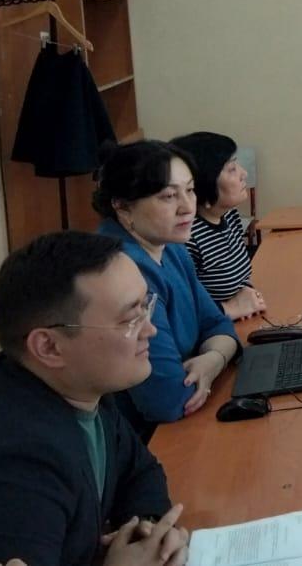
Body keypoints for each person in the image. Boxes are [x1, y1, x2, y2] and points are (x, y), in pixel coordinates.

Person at [0, 231, 189, 566]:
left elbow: (140, 471)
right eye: (130, 318)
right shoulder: (10, 468)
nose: (150, 329)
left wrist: (150, 533)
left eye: (146, 306)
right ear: (49, 347)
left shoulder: (81, 387)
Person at [96, 140, 240, 427]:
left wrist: (213, 360)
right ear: (123, 207)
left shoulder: (169, 245)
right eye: (168, 196)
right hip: (139, 434)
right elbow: (169, 400)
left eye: (190, 190)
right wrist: (217, 356)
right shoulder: (123, 271)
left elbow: (218, 324)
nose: (187, 207)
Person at [169, 132, 265, 321]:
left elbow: (236, 276)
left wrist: (246, 290)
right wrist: (229, 309)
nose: (243, 174)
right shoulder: (186, 238)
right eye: (231, 169)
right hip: (211, 331)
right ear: (204, 185)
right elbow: (182, 312)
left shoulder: (229, 214)